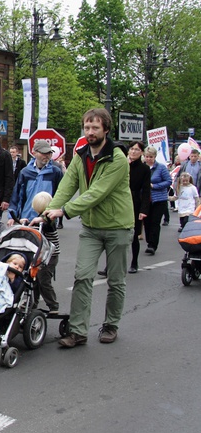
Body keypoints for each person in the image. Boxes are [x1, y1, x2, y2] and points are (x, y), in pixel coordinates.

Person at [45, 108, 133, 347]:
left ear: (106, 129)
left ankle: (111, 325)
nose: (90, 132)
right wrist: (49, 211)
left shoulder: (117, 158)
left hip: (118, 227)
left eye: (95, 127)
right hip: (92, 228)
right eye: (87, 127)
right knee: (82, 276)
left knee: (116, 281)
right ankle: (78, 331)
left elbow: (97, 192)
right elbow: (67, 184)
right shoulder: (80, 155)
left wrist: (66, 211)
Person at [98, 141, 150, 275]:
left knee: (133, 235)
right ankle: (109, 267)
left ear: (141, 152)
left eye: (137, 150)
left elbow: (145, 191)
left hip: (134, 202)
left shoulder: (144, 169)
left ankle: (134, 262)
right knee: (114, 234)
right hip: (118, 201)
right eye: (132, 149)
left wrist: (144, 209)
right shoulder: (121, 164)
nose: (134, 152)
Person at [7, 140, 63, 227]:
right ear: (34, 153)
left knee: (49, 240)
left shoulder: (55, 172)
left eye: (49, 153)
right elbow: (16, 196)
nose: (47, 156)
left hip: (46, 219)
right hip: (26, 219)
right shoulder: (25, 172)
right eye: (43, 153)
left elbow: (60, 195)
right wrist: (12, 216)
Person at [28, 192, 60, 313]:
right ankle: (33, 303)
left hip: (50, 256)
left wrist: (39, 220)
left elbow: (47, 226)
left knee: (43, 280)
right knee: (34, 279)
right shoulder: (39, 219)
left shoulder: (49, 221)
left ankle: (53, 305)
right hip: (40, 256)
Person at [143, 146, 172, 256]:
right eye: (147, 157)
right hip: (146, 199)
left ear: (155, 157)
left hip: (159, 199)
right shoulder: (143, 167)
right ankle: (149, 241)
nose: (149, 159)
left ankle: (152, 245)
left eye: (151, 157)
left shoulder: (161, 168)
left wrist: (154, 186)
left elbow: (168, 181)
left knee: (155, 222)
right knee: (147, 222)